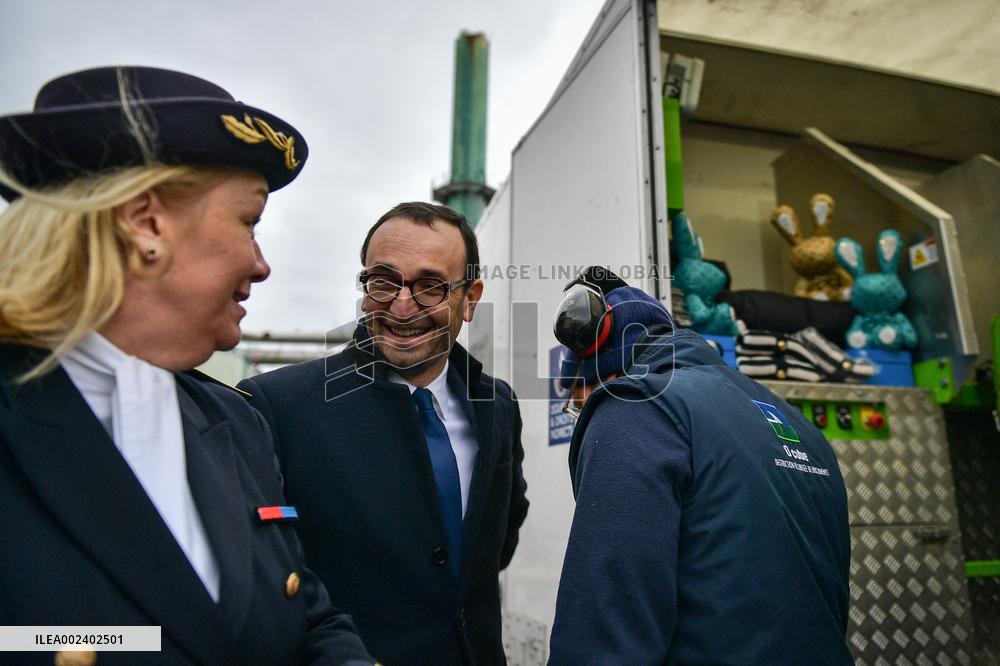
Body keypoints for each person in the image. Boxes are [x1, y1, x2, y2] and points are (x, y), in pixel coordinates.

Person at [0, 66, 374, 666]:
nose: (261, 265)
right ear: (146, 223)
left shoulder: (234, 420)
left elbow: (308, 618)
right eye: (249, 222)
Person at [238, 202, 529, 665]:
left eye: (430, 286)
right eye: (383, 281)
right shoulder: (276, 406)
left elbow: (498, 537)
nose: (401, 305)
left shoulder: (497, 406)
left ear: (470, 298)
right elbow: (259, 575)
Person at [547, 267, 853, 665]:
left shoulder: (632, 407)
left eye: (579, 398)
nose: (582, 411)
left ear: (604, 371)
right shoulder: (798, 425)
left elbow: (603, 633)